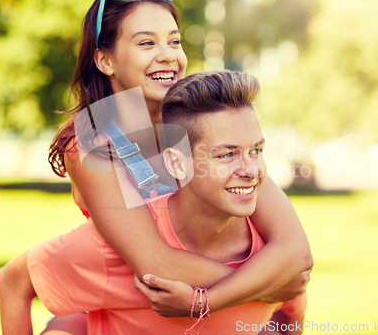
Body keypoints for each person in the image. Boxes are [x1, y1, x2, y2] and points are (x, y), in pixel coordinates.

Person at [0, 0, 312, 335]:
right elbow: (155, 262)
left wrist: (247, 292)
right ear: (105, 60)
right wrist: (267, 287)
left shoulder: (199, 119)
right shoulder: (90, 141)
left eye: (174, 42)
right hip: (118, 289)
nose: (167, 55)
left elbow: (291, 245)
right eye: (147, 43)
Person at [28, 70, 307, 335]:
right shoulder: (123, 244)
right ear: (175, 162)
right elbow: (15, 282)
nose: (251, 171)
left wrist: (203, 302)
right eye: (226, 155)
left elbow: (292, 304)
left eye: (257, 150)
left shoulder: (272, 253)